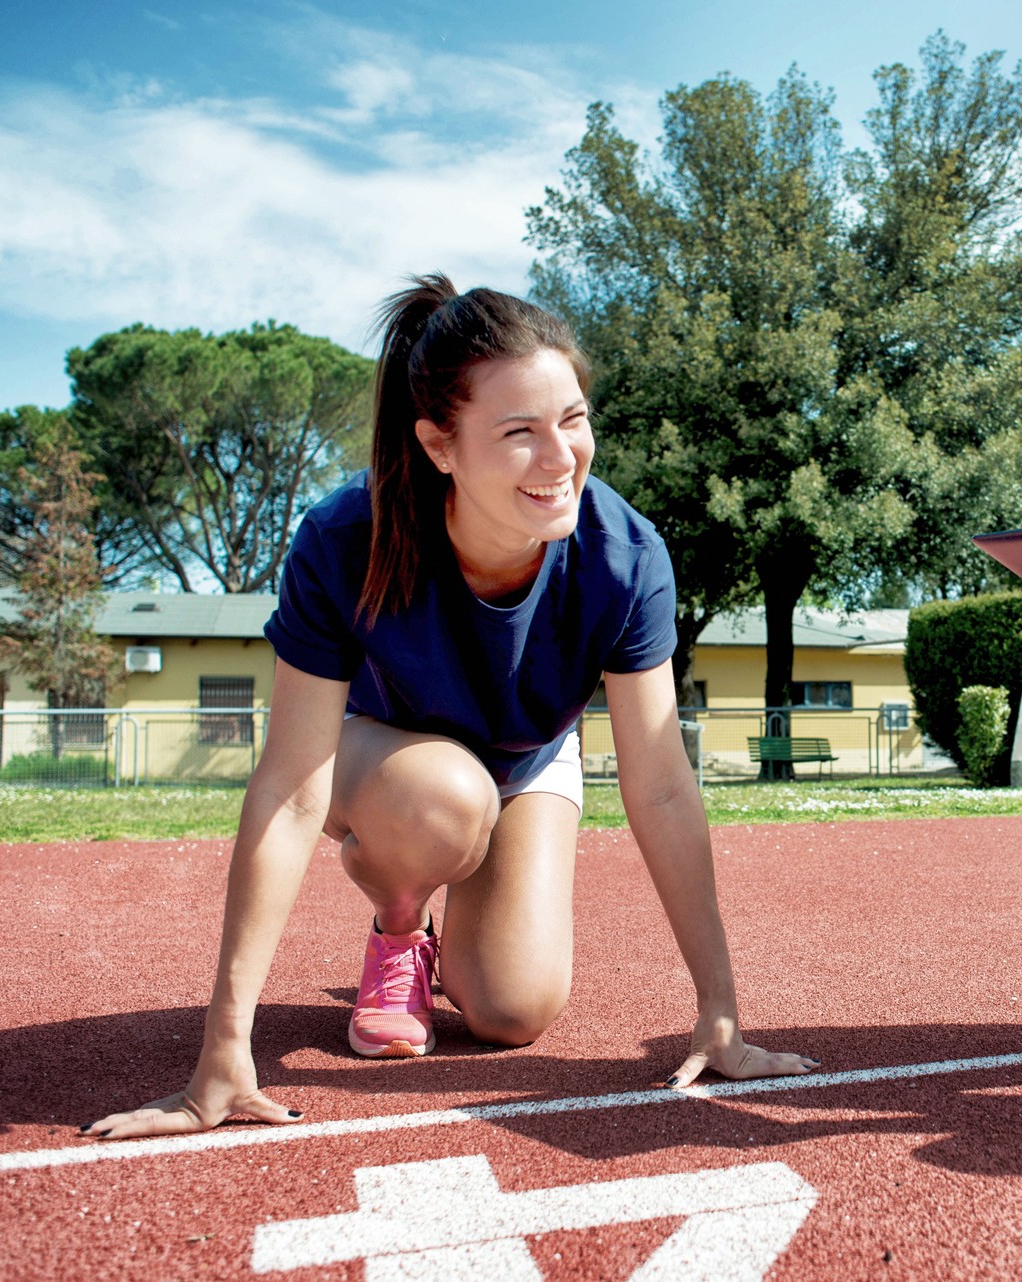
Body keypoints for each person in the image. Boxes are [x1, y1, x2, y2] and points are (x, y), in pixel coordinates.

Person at [86, 277, 815, 1139]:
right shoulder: (343, 539)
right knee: (447, 796)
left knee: (513, 1010)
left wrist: (719, 1012)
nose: (560, 459)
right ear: (439, 445)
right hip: (386, 763)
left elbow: (659, 788)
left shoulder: (625, 555)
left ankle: (453, 945)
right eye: (519, 433)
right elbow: (290, 789)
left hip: (526, 758)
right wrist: (222, 1050)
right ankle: (400, 925)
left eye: (573, 420)